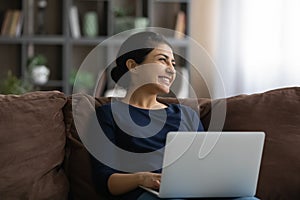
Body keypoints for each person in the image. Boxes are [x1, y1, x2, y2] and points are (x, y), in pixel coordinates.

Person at [91, 31, 259, 200]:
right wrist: (142, 178)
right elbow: (105, 181)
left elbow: (204, 166)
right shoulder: (108, 114)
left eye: (173, 63)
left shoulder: (186, 115)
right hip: (146, 194)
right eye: (162, 60)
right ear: (134, 66)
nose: (172, 70)